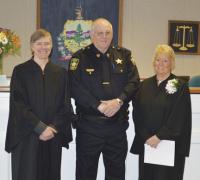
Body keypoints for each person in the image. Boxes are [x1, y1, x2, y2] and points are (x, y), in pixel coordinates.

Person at [69, 18, 140, 180]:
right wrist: (98, 106)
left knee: (116, 174)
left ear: (112, 34)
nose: (104, 36)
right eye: (99, 33)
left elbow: (134, 82)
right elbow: (74, 87)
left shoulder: (125, 55)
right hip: (88, 128)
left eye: (107, 33)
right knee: (85, 174)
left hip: (116, 128)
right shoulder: (79, 58)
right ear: (92, 35)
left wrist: (119, 101)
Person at [5, 29, 72, 180]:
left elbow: (65, 105)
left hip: (52, 136)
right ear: (32, 46)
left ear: (52, 45)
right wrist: (40, 128)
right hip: (27, 135)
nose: (43, 47)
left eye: (47, 43)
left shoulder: (60, 73)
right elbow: (18, 104)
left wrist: (53, 128)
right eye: (39, 43)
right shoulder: (20, 71)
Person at [130, 44, 192, 180]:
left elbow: (179, 116)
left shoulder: (179, 85)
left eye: (165, 60)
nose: (161, 64)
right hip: (147, 145)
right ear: (153, 62)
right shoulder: (144, 85)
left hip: (169, 146)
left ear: (172, 63)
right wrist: (146, 136)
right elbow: (137, 113)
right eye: (158, 60)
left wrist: (159, 137)